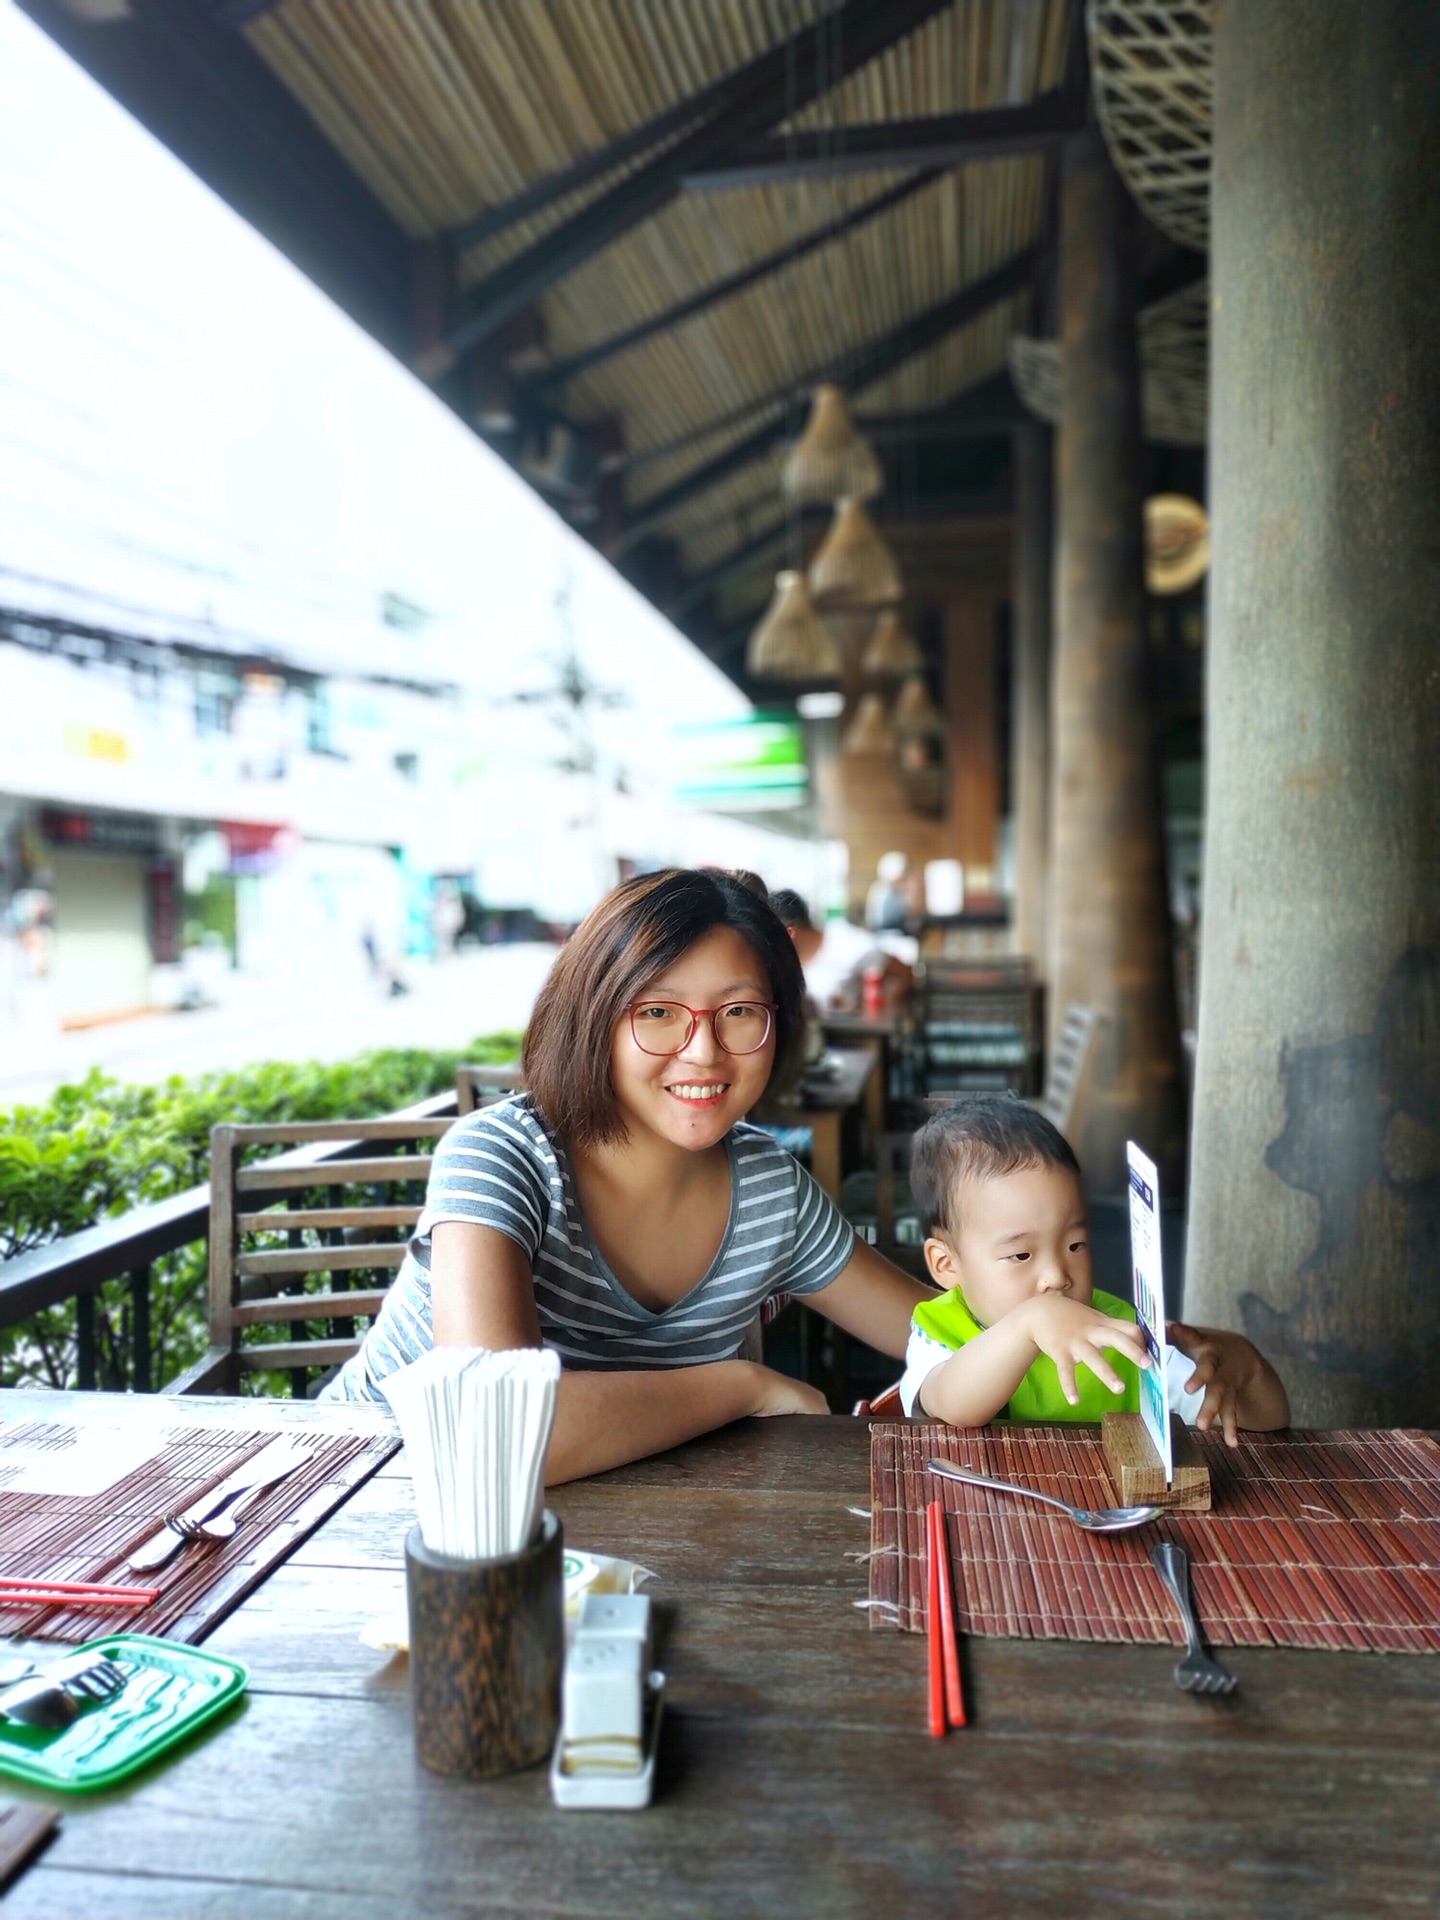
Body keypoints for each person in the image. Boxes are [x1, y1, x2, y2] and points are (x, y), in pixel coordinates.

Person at [324, 869, 930, 1480]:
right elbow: (492, 1424)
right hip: (358, 1500)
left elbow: (937, 1334)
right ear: (595, 1017)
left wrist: (1024, 1289)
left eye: (740, 1010)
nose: (703, 1051)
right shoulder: (503, 1157)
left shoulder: (770, 1191)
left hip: (598, 1530)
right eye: (659, 1011)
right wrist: (743, 1388)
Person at [897, 1095, 1289, 1443]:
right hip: (978, 1519)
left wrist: (1249, 1368)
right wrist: (1029, 1324)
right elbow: (953, 1406)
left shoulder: (1121, 1335)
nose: (1056, 1276)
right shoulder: (938, 1333)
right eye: (1020, 1255)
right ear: (946, 1264)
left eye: (1074, 1245)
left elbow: (1267, 1424)